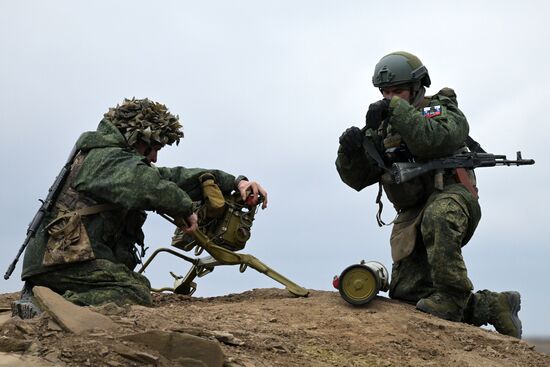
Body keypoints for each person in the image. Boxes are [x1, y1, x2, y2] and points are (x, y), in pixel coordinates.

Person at [335, 51, 522, 338]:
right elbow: (358, 178)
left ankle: (453, 294)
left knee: (438, 215)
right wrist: (350, 150)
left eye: (396, 91)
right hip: (412, 215)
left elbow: (431, 140)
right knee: (409, 296)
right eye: (385, 92)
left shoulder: (441, 110)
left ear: (416, 86)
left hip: (453, 199)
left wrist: (396, 110)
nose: (389, 97)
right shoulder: (384, 126)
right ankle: (492, 306)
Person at [18, 98, 267, 310]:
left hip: (71, 259)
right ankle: (43, 304)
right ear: (136, 137)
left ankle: (45, 294)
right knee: (132, 292)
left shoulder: (116, 160)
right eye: (153, 147)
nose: (155, 157)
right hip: (61, 260)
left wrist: (235, 183)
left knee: (135, 286)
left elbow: (171, 178)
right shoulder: (104, 158)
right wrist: (184, 207)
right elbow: (147, 187)